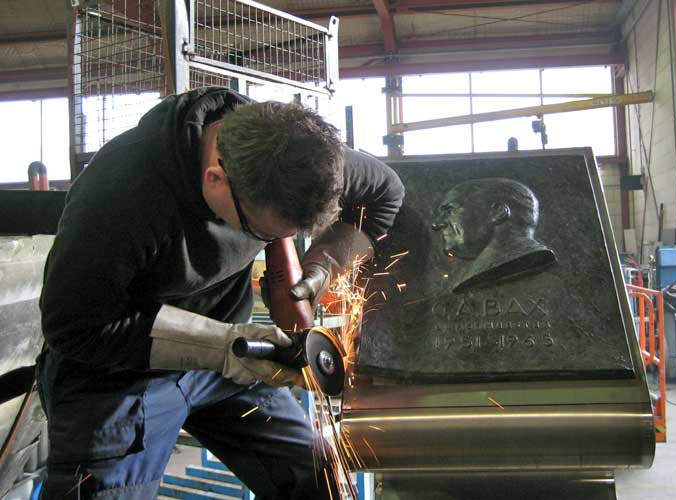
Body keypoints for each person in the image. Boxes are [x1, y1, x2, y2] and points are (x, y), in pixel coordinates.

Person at [37, 87, 404, 499]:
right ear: (216, 179)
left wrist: (321, 269)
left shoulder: (298, 156)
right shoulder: (122, 194)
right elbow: (70, 327)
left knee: (325, 485)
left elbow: (385, 194)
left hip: (226, 366)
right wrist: (228, 345)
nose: (271, 242)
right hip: (116, 375)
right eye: (264, 234)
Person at [430, 177, 555, 294]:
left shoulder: (518, 262)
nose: (437, 224)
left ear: (498, 212)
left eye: (450, 211)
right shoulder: (467, 273)